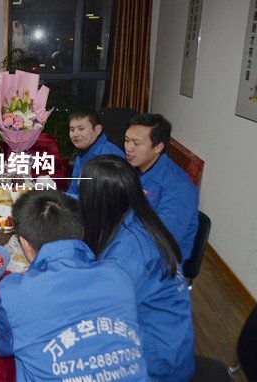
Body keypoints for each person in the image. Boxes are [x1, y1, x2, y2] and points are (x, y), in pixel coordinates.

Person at [0, 190, 148, 381]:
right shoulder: (119, 277)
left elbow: (3, 347)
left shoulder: (13, 295)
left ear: (24, 244)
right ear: (81, 231)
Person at [79, 155, 195, 381]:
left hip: (157, 363)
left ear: (97, 201)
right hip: (171, 343)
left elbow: (100, 316)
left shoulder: (126, 259)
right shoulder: (136, 217)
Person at [124, 113, 199, 261]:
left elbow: (162, 241)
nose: (128, 148)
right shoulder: (133, 169)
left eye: (136, 143)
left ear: (158, 147)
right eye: (126, 140)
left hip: (159, 261)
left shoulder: (179, 187)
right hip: (131, 243)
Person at [67, 107, 125, 195]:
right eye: (72, 130)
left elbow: (101, 199)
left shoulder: (109, 157)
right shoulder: (81, 153)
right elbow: (73, 190)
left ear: (98, 129)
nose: (75, 134)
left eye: (81, 129)